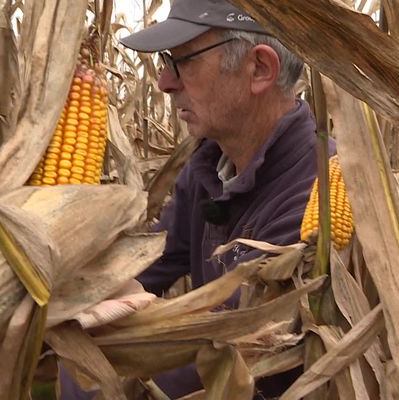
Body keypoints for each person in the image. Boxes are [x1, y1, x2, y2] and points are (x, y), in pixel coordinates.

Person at [61, 0, 335, 398]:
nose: (164, 83)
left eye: (182, 62)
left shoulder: (316, 197)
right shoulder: (209, 167)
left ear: (259, 69)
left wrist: (83, 361)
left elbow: (216, 353)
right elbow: (147, 267)